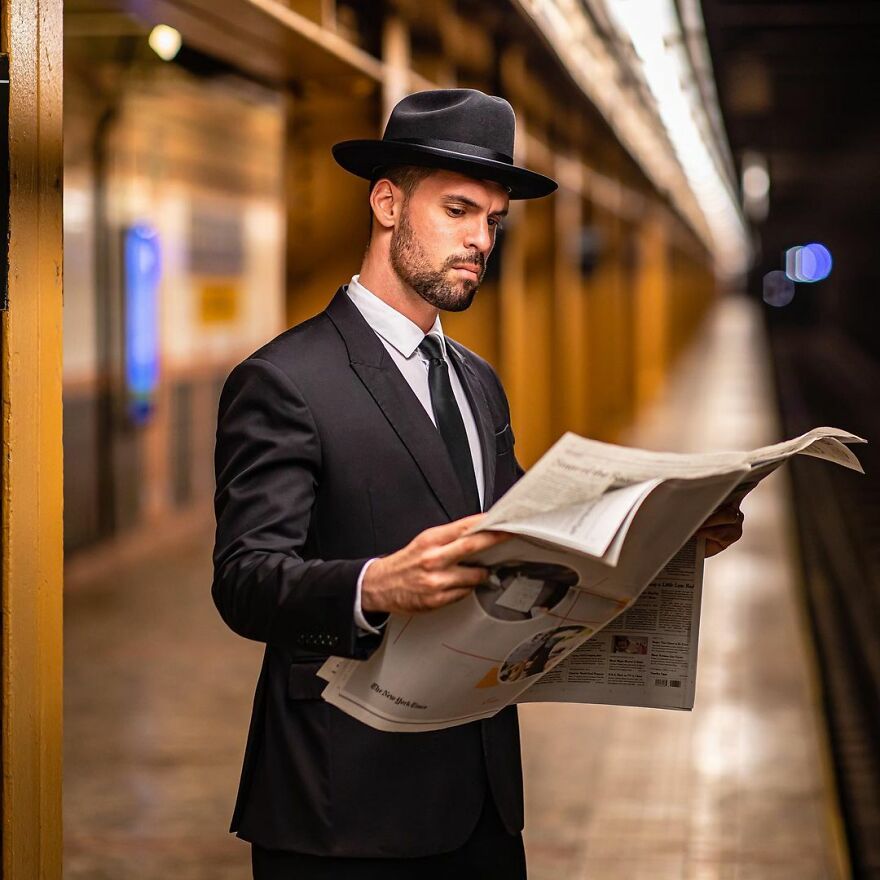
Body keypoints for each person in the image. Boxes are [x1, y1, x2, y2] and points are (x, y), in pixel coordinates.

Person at [211, 88, 745, 880]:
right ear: (387, 203)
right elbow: (246, 581)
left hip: (482, 799)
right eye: (459, 210)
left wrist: (666, 532)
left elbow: (529, 526)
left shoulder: (476, 380)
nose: (481, 240)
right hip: (341, 807)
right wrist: (374, 584)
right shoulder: (285, 380)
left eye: (493, 220)